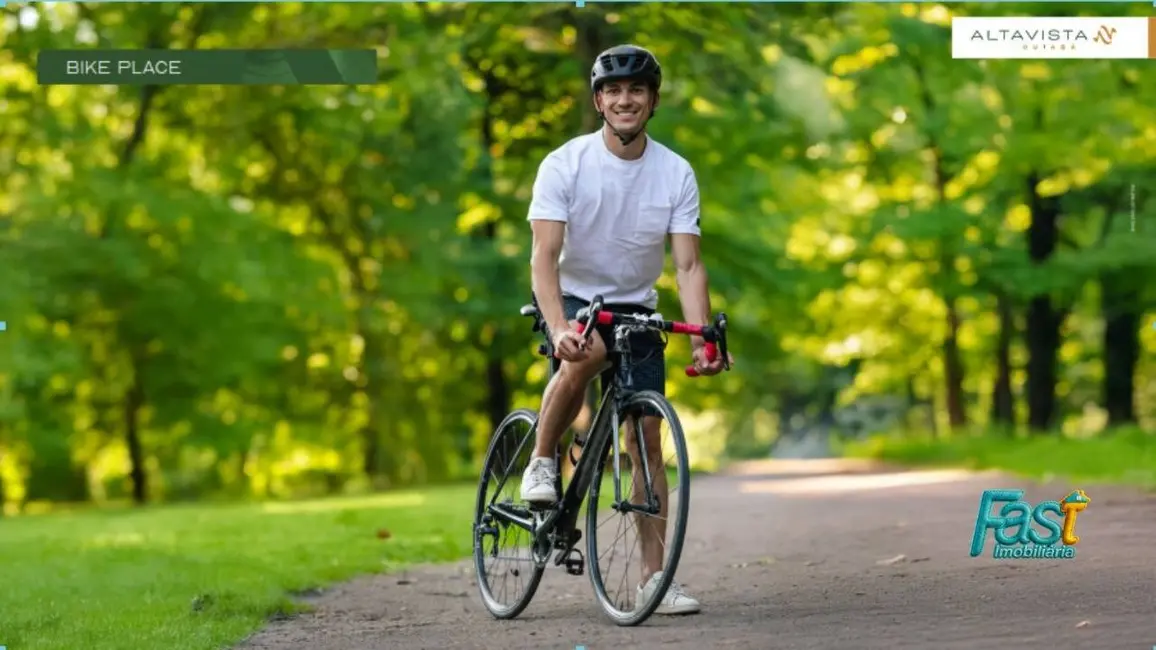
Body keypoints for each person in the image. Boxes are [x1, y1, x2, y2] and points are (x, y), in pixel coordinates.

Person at [519, 44, 731, 615]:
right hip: (571, 295)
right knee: (583, 354)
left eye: (637, 90)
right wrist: (560, 325)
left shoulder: (675, 172)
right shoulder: (565, 164)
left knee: (647, 444)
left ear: (653, 100)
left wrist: (701, 335)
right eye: (613, 91)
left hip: (635, 305)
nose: (625, 99)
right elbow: (544, 256)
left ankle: (653, 581)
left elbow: (687, 265)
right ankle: (542, 459)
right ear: (598, 101)